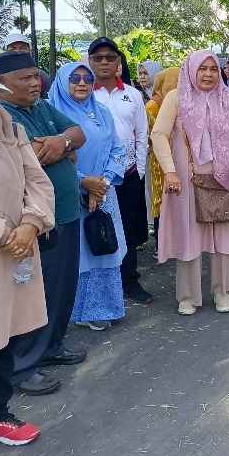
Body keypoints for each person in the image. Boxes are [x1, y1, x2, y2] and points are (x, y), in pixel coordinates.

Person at [0, 52, 87, 394]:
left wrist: (61, 142)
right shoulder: (4, 115)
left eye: (37, 76)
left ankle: (51, 348)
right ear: (2, 84)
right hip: (28, 225)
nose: (36, 83)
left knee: (60, 289)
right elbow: (31, 154)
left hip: (63, 213)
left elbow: (79, 133)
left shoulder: (41, 108)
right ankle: (22, 367)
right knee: (31, 295)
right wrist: (64, 145)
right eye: (26, 78)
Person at [151, 50, 229, 316]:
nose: (208, 74)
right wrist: (170, 171)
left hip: (224, 179)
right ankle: (188, 296)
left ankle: (222, 291)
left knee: (223, 236)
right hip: (186, 180)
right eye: (202, 68)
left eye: (213, 68)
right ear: (191, 70)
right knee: (190, 236)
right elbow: (159, 134)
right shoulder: (177, 98)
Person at [0, 77, 55, 447]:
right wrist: (5, 233)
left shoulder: (11, 129)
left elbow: (38, 182)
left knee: (5, 334)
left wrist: (31, 224)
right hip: (5, 243)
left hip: (16, 248)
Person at [49, 62, 128, 332]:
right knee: (78, 251)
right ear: (62, 81)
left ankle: (105, 306)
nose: (82, 83)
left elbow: (119, 149)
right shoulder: (53, 113)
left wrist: (103, 183)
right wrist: (85, 182)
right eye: (74, 78)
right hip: (71, 194)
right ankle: (76, 311)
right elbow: (51, 159)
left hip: (105, 195)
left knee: (104, 245)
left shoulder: (102, 112)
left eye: (86, 78)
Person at [89, 37, 151, 304]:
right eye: (98, 58)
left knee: (127, 228)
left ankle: (130, 281)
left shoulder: (132, 94)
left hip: (126, 175)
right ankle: (101, 288)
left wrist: (138, 169)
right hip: (94, 178)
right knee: (95, 229)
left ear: (118, 63)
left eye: (110, 58)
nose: (104, 62)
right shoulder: (83, 93)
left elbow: (141, 134)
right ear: (90, 62)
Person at [145, 68, 179, 257]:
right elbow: (157, 134)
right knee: (161, 201)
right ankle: (161, 245)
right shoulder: (153, 105)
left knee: (178, 201)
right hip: (160, 161)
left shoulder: (181, 100)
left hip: (179, 158)